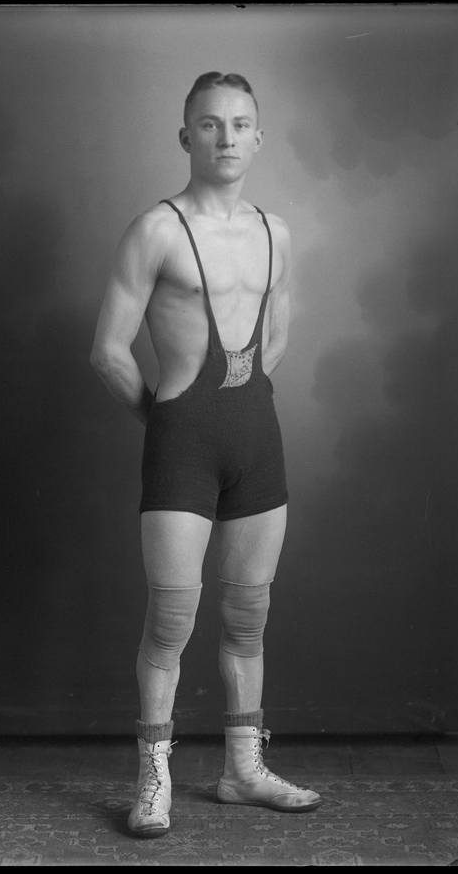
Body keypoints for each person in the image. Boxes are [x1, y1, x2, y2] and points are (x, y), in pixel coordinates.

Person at [90, 72, 322, 839]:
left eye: (241, 124)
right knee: (172, 619)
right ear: (185, 135)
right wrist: (167, 422)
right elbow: (108, 350)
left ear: (259, 137)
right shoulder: (155, 230)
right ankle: (153, 778)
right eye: (211, 124)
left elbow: (276, 333)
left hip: (258, 443)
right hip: (181, 448)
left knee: (249, 617)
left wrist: (233, 406)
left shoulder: (275, 232)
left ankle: (241, 770)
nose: (227, 137)